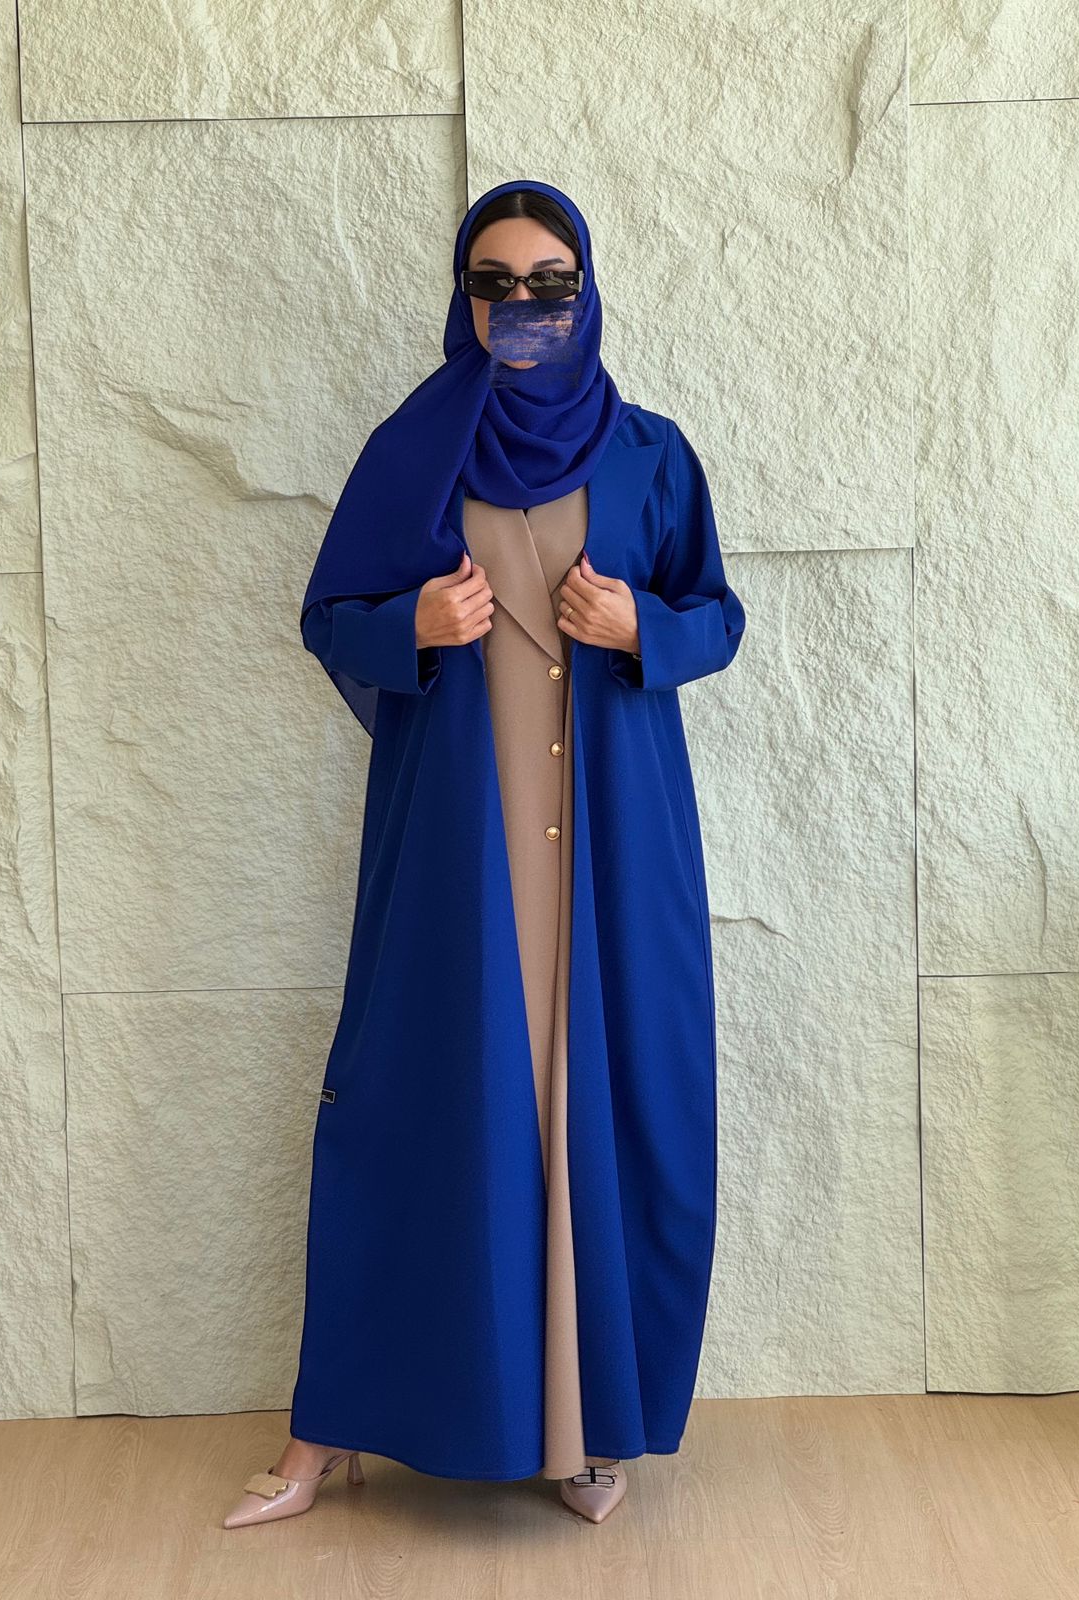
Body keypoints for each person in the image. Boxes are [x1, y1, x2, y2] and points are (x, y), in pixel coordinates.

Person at [223, 178, 746, 1531]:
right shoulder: (416, 451)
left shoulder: (648, 455)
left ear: (587, 291)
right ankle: (335, 1431)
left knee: (613, 1108)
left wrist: (642, 627)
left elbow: (718, 615)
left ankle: (590, 1429)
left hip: (616, 853)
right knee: (414, 1103)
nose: (522, 306)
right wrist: (412, 625)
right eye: (494, 283)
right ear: (463, 299)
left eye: (549, 282)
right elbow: (331, 616)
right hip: (458, 850)